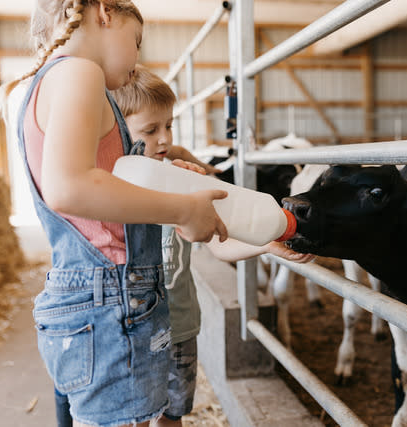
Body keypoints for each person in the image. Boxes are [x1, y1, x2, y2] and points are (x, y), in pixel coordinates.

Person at [0, 2, 228, 427]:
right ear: (103, 12)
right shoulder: (77, 71)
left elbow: (95, 183)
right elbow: (69, 187)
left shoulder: (47, 83)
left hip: (96, 294)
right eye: (136, 41)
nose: (137, 57)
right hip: (110, 297)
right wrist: (182, 209)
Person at [109, 64, 313, 427]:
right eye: (150, 130)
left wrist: (265, 246)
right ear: (117, 129)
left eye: (168, 126)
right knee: (134, 419)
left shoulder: (182, 179)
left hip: (182, 327)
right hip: (132, 331)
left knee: (174, 416)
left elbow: (219, 245)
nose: (164, 139)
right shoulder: (109, 191)